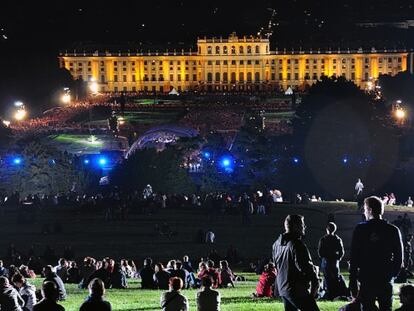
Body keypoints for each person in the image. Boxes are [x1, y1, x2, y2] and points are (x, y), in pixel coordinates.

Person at [349, 196, 404, 311]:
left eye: (365, 209)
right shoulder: (392, 230)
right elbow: (399, 256)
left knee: (367, 307)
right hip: (385, 276)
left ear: (370, 210)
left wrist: (353, 279)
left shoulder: (361, 229)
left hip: (367, 276)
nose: (364, 212)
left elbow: (354, 255)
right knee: (385, 307)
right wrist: (392, 273)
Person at [272, 214, 320, 311]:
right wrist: (315, 281)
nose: (304, 227)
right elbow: (305, 267)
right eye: (302, 225)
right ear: (295, 226)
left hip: (283, 288)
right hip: (297, 289)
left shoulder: (276, 244)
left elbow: (276, 266)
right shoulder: (297, 244)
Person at [317, 222, 348, 299]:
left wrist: (324, 257)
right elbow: (341, 251)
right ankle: (335, 293)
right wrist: (338, 258)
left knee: (327, 277)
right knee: (335, 277)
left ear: (327, 229)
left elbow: (320, 251)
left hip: (326, 261)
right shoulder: (337, 239)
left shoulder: (323, 239)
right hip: (334, 261)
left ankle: (328, 293)